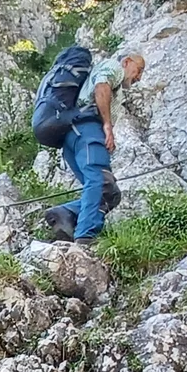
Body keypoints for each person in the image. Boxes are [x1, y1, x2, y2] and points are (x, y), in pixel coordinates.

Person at [57, 53, 145, 248]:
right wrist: (107, 126)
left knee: (108, 192)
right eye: (139, 70)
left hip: (74, 136)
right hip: (89, 129)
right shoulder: (114, 67)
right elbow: (101, 86)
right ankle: (86, 237)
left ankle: (66, 213)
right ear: (127, 62)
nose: (139, 77)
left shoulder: (117, 82)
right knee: (97, 179)